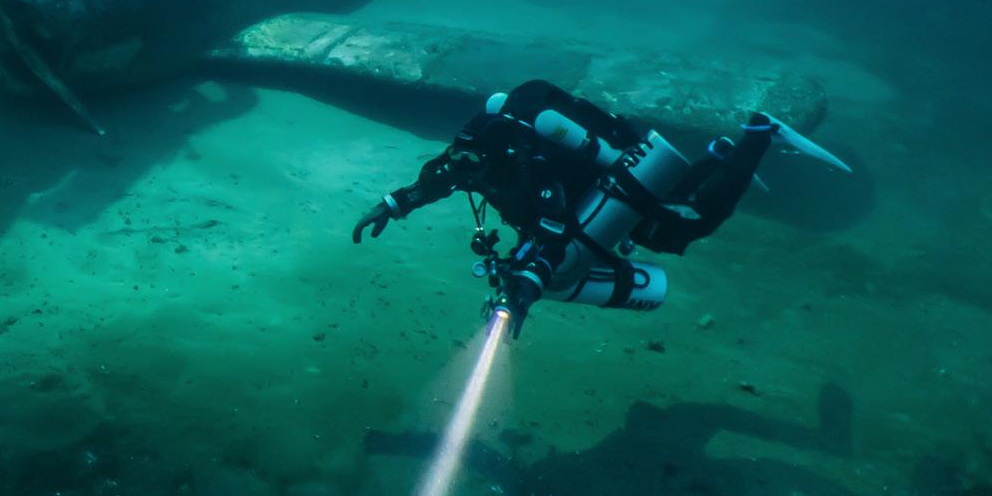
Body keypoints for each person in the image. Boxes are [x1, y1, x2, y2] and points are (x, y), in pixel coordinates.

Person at [352, 80, 846, 331]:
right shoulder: (473, 149)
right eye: (464, 166)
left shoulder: (527, 166)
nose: (466, 175)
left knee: (687, 226)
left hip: (595, 194)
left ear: (493, 162)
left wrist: (525, 291)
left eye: (473, 170)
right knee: (670, 207)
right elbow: (441, 176)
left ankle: (759, 133)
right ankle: (716, 159)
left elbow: (552, 235)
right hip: (583, 201)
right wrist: (393, 205)